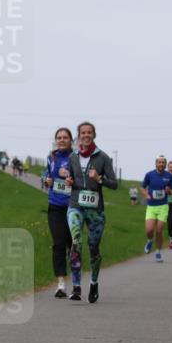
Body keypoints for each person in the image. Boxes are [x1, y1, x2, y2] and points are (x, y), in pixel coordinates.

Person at [64, 121, 118, 303]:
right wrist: (69, 181)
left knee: (93, 247)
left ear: (94, 135)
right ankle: (76, 286)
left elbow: (114, 184)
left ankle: (94, 282)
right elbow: (70, 177)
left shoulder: (103, 157)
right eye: (83, 133)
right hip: (75, 205)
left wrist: (99, 178)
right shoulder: (73, 157)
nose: (86, 135)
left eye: (89, 132)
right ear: (79, 136)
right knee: (76, 241)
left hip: (95, 210)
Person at [42, 128, 74, 298]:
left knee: (73, 245)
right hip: (55, 206)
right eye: (59, 137)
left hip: (73, 207)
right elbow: (47, 176)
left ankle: (76, 281)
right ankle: (61, 284)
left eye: (65, 137)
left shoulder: (76, 158)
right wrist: (47, 181)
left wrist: (72, 181)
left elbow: (83, 181)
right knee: (58, 243)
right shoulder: (51, 157)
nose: (62, 140)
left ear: (71, 140)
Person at [141, 156, 172, 262]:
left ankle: (158, 252)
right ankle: (150, 240)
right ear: (156, 164)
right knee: (149, 230)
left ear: (165, 164)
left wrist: (169, 191)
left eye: (163, 162)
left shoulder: (169, 176)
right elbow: (142, 187)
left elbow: (171, 191)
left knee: (159, 230)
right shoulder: (149, 174)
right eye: (159, 162)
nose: (161, 164)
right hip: (151, 206)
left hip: (163, 206)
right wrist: (146, 195)